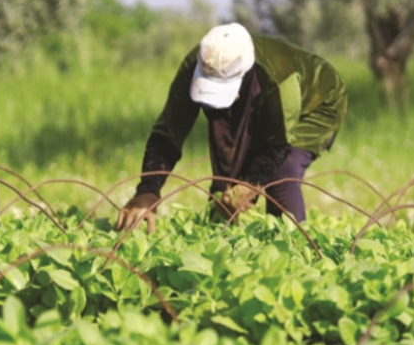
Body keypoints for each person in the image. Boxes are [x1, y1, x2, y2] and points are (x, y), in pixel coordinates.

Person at [116, 23, 347, 232]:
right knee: (227, 181)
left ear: (244, 76)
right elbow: (168, 134)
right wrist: (147, 190)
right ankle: (220, 243)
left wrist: (250, 184)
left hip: (318, 102)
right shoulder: (199, 63)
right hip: (269, 97)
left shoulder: (280, 80)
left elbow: (277, 146)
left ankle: (295, 250)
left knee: (282, 174)